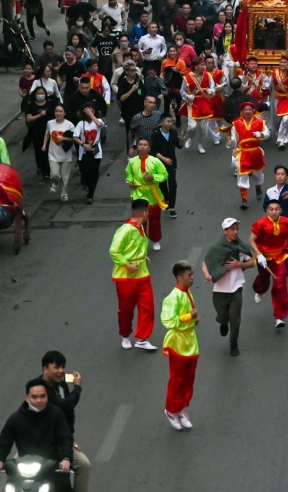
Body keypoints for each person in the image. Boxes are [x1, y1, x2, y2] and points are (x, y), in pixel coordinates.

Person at [0, 379, 71, 481]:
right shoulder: (15, 418)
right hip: (24, 465)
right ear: (27, 398)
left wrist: (66, 458)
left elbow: (65, 438)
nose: (39, 400)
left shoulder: (57, 414)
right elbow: (4, 442)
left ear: (47, 397)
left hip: (52, 465)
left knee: (83, 465)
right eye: (34, 397)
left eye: (43, 396)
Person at [201, 217, 255, 357]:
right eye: (232, 229)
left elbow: (252, 263)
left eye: (237, 229)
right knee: (224, 316)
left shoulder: (241, 247)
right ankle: (223, 322)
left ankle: (233, 345)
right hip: (220, 291)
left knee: (235, 320)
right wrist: (207, 275)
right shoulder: (216, 248)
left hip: (236, 289)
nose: (235, 232)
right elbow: (205, 263)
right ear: (225, 231)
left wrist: (239, 265)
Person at [109, 199, 157, 351]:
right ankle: (125, 335)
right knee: (126, 309)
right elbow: (114, 251)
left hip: (142, 273)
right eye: (148, 211)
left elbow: (136, 248)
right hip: (125, 277)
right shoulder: (125, 230)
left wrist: (143, 256)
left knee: (147, 306)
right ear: (144, 213)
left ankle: (142, 338)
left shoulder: (140, 228)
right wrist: (127, 264)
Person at [40, 351, 91, 492]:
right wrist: (78, 387)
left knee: (84, 465)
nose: (61, 371)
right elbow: (66, 405)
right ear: (45, 369)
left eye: (63, 367)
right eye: (56, 367)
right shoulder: (41, 390)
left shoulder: (61, 383)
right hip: (38, 440)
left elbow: (68, 413)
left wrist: (70, 440)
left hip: (61, 441)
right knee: (14, 467)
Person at [161, 261, 200, 431]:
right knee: (177, 379)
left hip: (190, 340)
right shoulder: (172, 297)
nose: (192, 277)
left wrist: (193, 320)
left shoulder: (187, 292)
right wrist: (187, 317)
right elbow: (168, 320)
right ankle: (171, 410)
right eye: (189, 275)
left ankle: (179, 408)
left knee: (188, 378)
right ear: (179, 277)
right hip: (178, 343)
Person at [250, 200, 288, 328]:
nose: (274, 211)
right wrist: (259, 254)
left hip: (280, 257)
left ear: (280, 210)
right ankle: (259, 290)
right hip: (264, 257)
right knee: (263, 280)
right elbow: (251, 240)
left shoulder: (286, 222)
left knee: (280, 285)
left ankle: (279, 317)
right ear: (267, 211)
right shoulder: (260, 224)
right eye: (271, 209)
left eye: (276, 209)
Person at [125, 137, 169, 250]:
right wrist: (130, 182)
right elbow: (129, 174)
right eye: (140, 144)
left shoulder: (155, 161)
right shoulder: (132, 162)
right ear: (137, 147)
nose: (142, 147)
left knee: (154, 220)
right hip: (138, 194)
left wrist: (153, 177)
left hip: (153, 195)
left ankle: (155, 240)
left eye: (145, 145)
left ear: (148, 147)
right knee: (139, 220)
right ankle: (141, 240)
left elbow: (164, 175)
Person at [228, 100, 270, 209]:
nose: (247, 111)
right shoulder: (236, 124)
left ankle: (258, 187)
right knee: (242, 175)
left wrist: (260, 134)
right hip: (243, 152)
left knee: (258, 173)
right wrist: (231, 141)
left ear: (253, 111)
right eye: (245, 109)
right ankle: (244, 199)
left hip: (255, 152)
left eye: (249, 109)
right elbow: (234, 138)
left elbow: (267, 133)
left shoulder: (260, 122)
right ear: (242, 111)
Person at [74, 105, 105, 205]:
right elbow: (75, 136)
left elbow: (100, 125)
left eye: (92, 110)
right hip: (84, 151)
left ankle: (90, 194)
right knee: (85, 172)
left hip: (96, 152)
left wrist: (92, 115)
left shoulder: (98, 120)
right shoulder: (81, 124)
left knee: (94, 172)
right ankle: (85, 182)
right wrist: (83, 144)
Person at [150, 114, 179, 216]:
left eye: (171, 121)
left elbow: (178, 145)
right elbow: (153, 150)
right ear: (162, 122)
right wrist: (164, 159)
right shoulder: (156, 134)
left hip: (171, 163)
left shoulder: (174, 132)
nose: (170, 123)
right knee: (162, 184)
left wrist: (182, 140)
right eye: (168, 121)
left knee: (172, 185)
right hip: (160, 163)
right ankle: (166, 199)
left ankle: (172, 207)